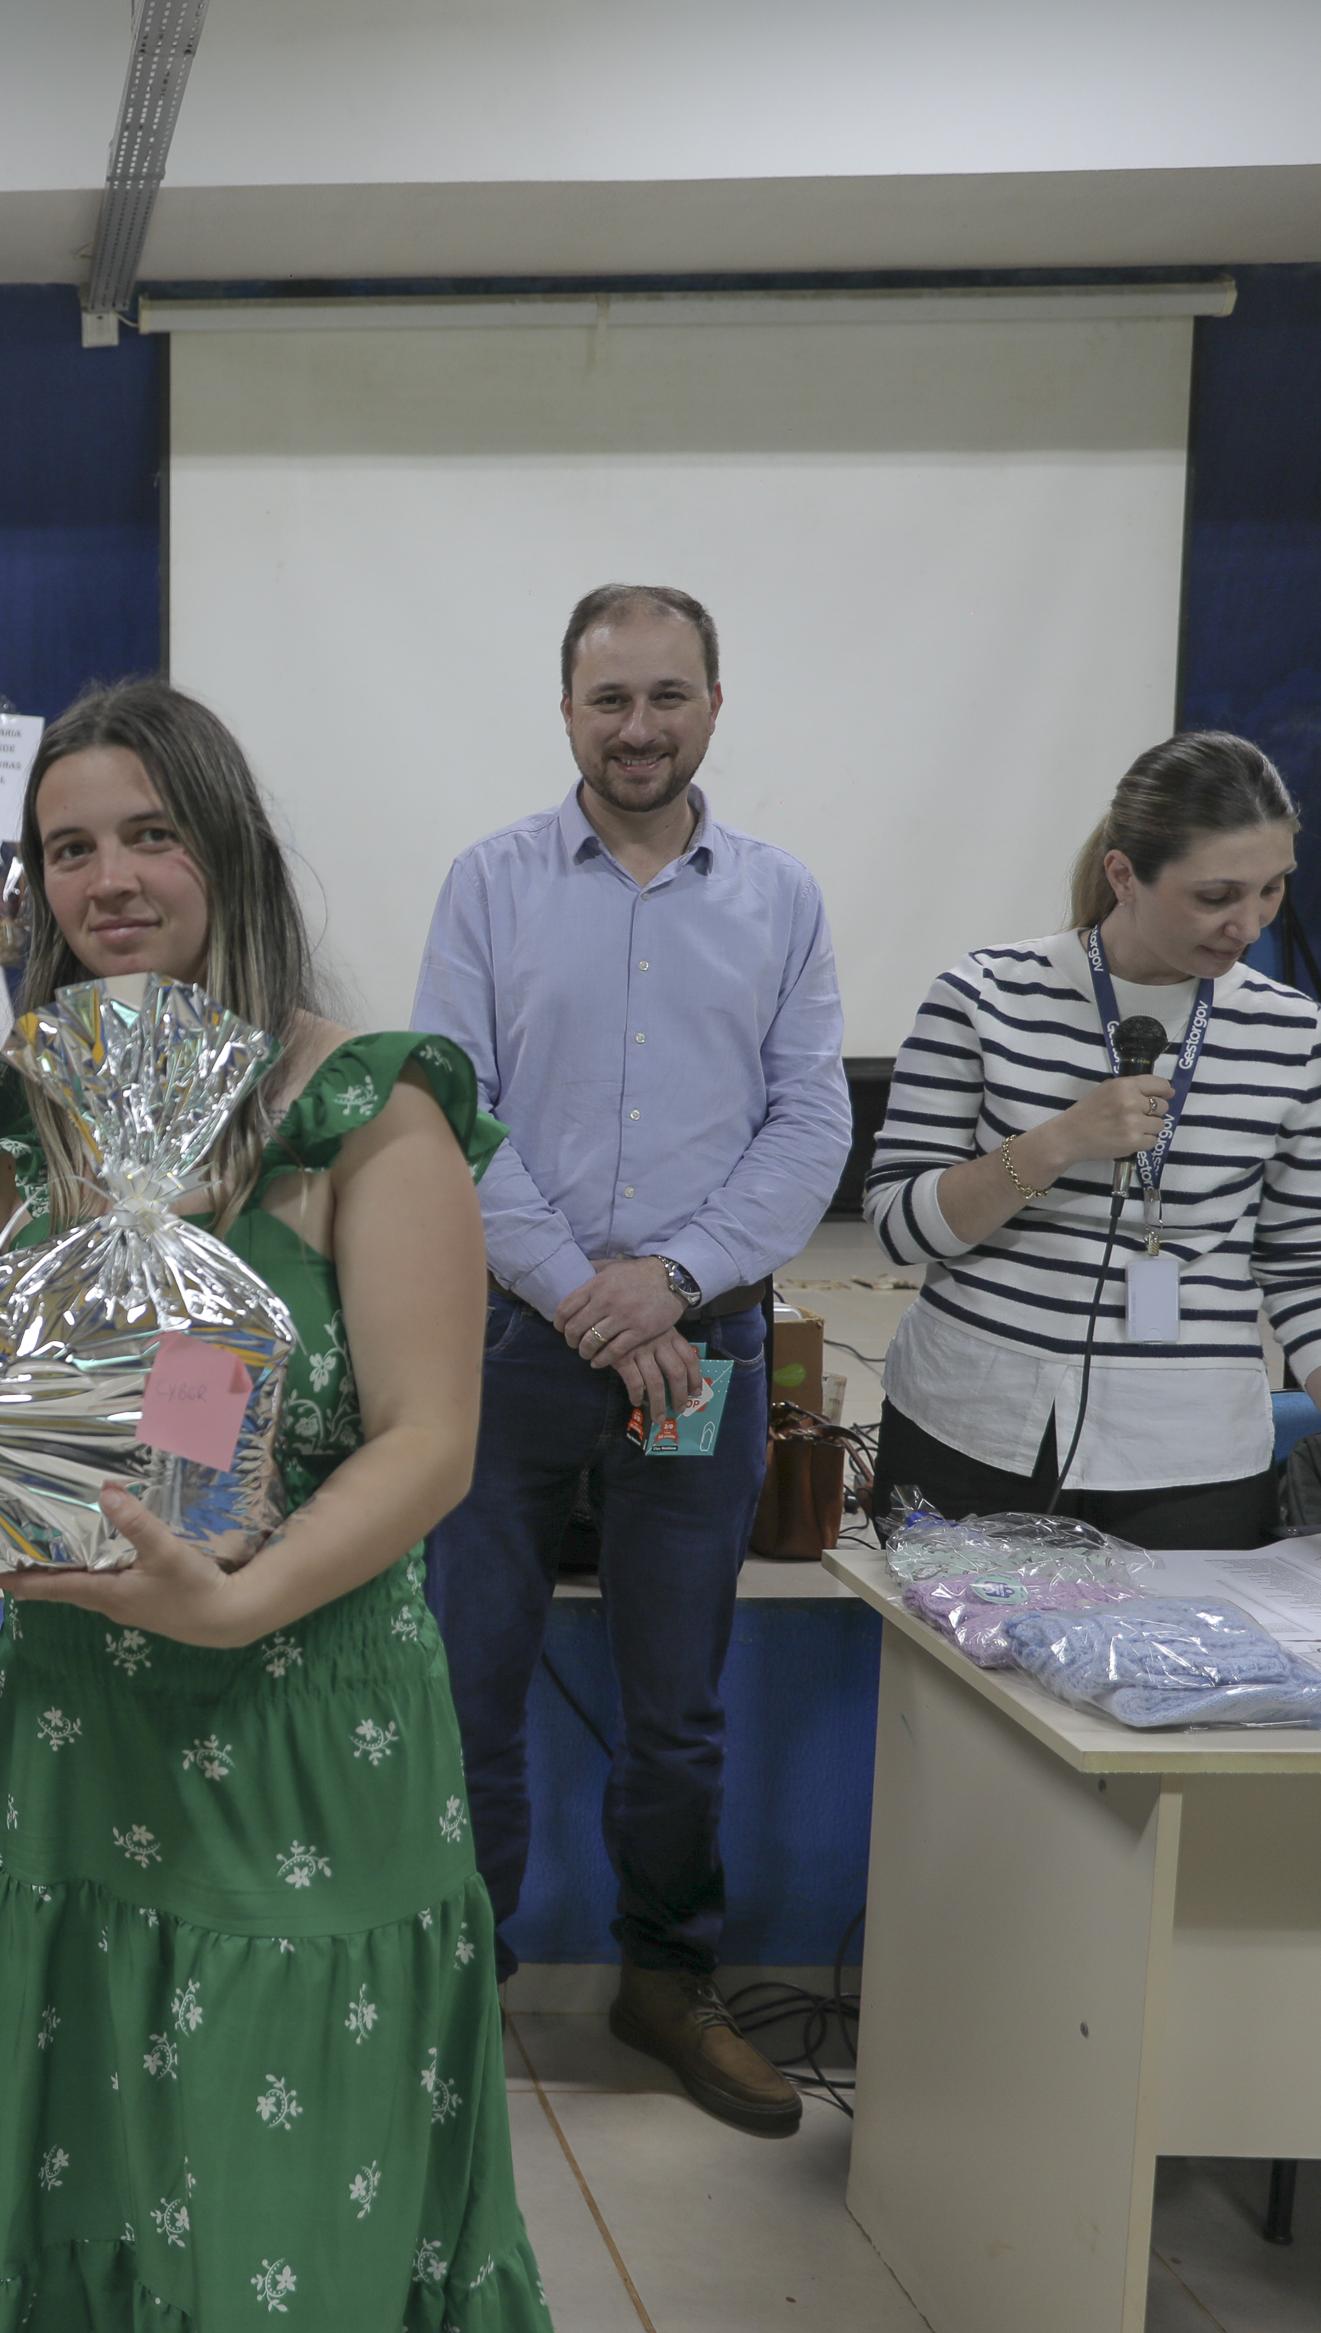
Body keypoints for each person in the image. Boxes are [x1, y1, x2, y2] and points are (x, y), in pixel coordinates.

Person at [0, 679, 548, 2331]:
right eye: (69, 848)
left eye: (151, 834)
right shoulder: (44, 1104)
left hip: (304, 1724)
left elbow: (430, 1443)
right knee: (112, 2155)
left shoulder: (365, 1101)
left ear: (230, 850)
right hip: (85, 1719)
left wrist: (235, 1600)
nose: (109, 879)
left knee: (293, 2186)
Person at [408, 583, 852, 2139]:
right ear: (567, 713)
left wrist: (667, 1283)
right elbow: (450, 1113)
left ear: (714, 706)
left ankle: (669, 1982)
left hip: (699, 1349)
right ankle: (453, 1998)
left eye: (669, 696)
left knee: (679, 1712)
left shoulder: (782, 898)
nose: (640, 728)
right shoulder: (490, 883)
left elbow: (812, 1120)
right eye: (611, 700)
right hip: (511, 1346)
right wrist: (577, 1292)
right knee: (468, 1694)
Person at [865, 731, 1321, 1581]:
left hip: (1192, 1453)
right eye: (1215, 896)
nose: (1249, 924)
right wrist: (1053, 1145)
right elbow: (900, 1228)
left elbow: (1311, 1271)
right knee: (949, 1661)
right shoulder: (983, 998)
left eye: (1272, 889)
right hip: (972, 1426)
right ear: (1124, 875)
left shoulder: (1296, 1038)